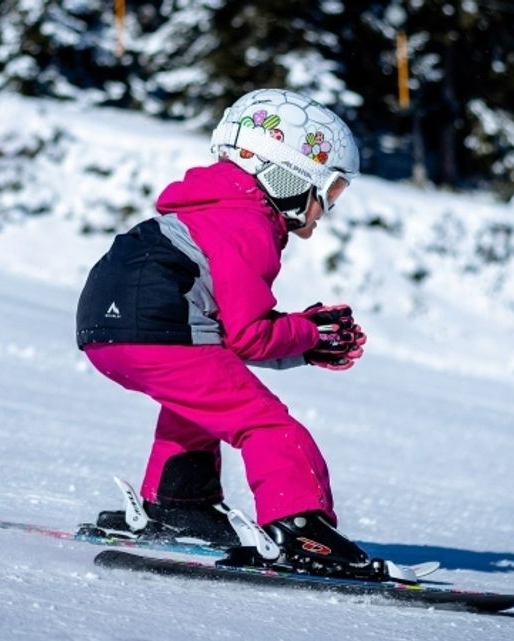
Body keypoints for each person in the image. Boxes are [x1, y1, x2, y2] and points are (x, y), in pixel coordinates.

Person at [76, 89, 379, 578]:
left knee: (200, 400)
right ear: (290, 174)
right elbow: (249, 337)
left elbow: (227, 335)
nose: (326, 208)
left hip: (105, 332)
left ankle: (183, 506)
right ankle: (300, 530)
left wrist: (302, 340)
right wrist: (308, 334)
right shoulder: (248, 223)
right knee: (267, 425)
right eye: (332, 190)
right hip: (159, 328)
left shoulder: (204, 210)